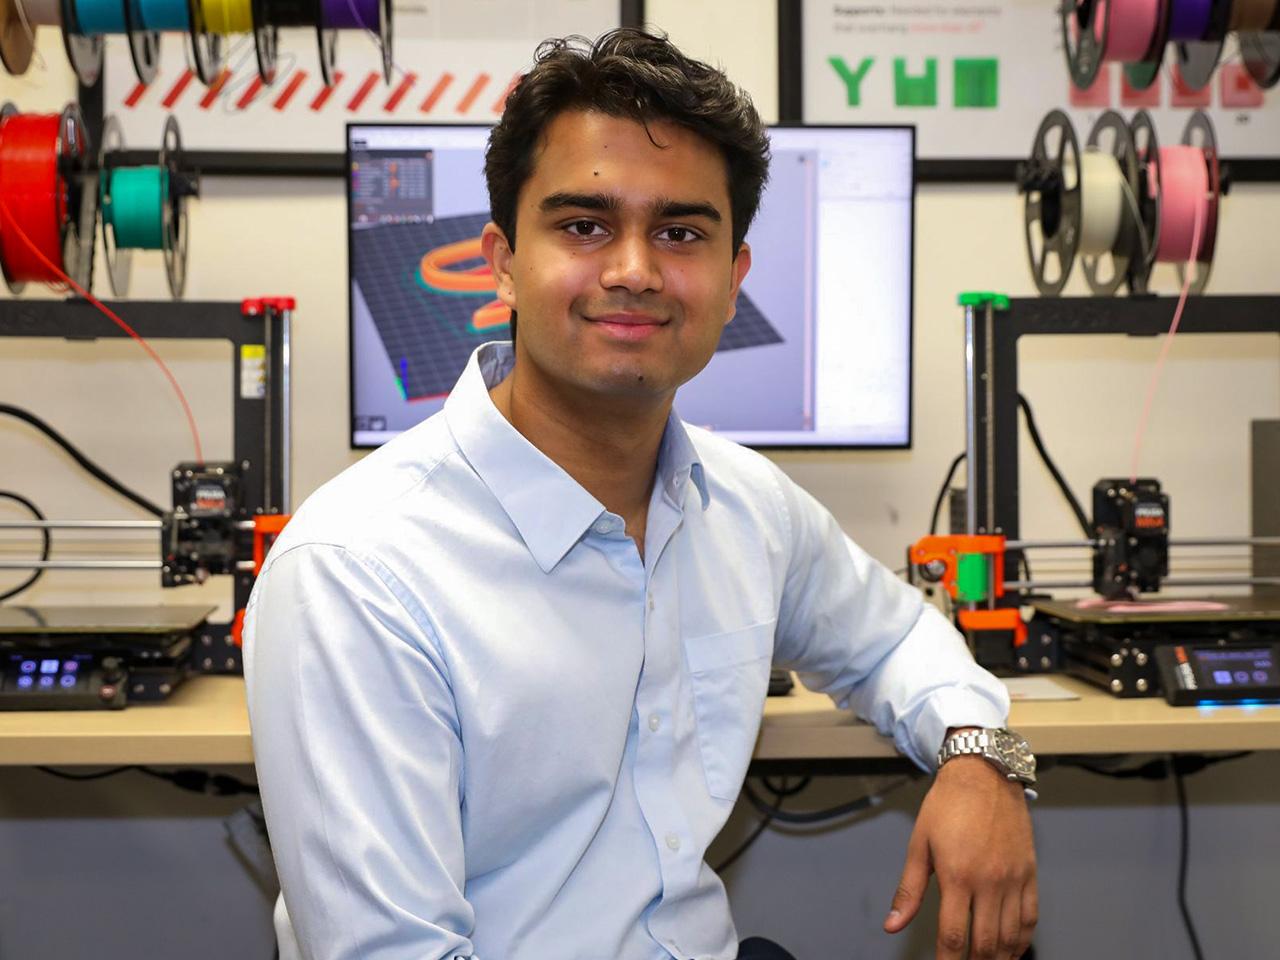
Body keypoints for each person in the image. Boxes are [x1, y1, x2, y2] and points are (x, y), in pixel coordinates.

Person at [244, 27, 1037, 960]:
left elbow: (898, 638)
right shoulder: (356, 574)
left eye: (681, 232)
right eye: (583, 225)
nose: (633, 269)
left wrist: (981, 757)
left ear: (735, 279)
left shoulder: (744, 505)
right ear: (500, 259)